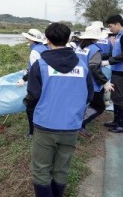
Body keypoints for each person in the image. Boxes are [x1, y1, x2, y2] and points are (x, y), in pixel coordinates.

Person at [25, 23, 93, 196]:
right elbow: (89, 95)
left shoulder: (40, 65)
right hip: (71, 126)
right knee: (61, 168)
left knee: (41, 169)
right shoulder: (83, 66)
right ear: (69, 39)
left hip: (45, 125)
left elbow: (32, 96)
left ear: (47, 40)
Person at [75, 26, 115, 138]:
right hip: (91, 83)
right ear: (96, 37)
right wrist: (105, 82)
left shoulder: (79, 47)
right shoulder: (94, 49)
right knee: (99, 106)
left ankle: (77, 122)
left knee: (85, 103)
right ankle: (80, 124)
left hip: (80, 80)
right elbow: (94, 68)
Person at [102, 15, 123, 133]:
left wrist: (108, 61)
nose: (110, 29)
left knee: (120, 99)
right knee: (115, 97)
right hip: (117, 72)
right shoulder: (119, 36)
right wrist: (100, 56)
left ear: (117, 24)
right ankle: (117, 121)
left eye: (110, 26)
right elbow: (114, 53)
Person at [17, 28, 48, 139]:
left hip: (38, 84)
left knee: (30, 108)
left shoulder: (35, 51)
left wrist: (24, 79)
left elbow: (35, 70)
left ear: (31, 39)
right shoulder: (44, 48)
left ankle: (32, 132)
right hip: (46, 82)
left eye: (27, 37)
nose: (26, 39)